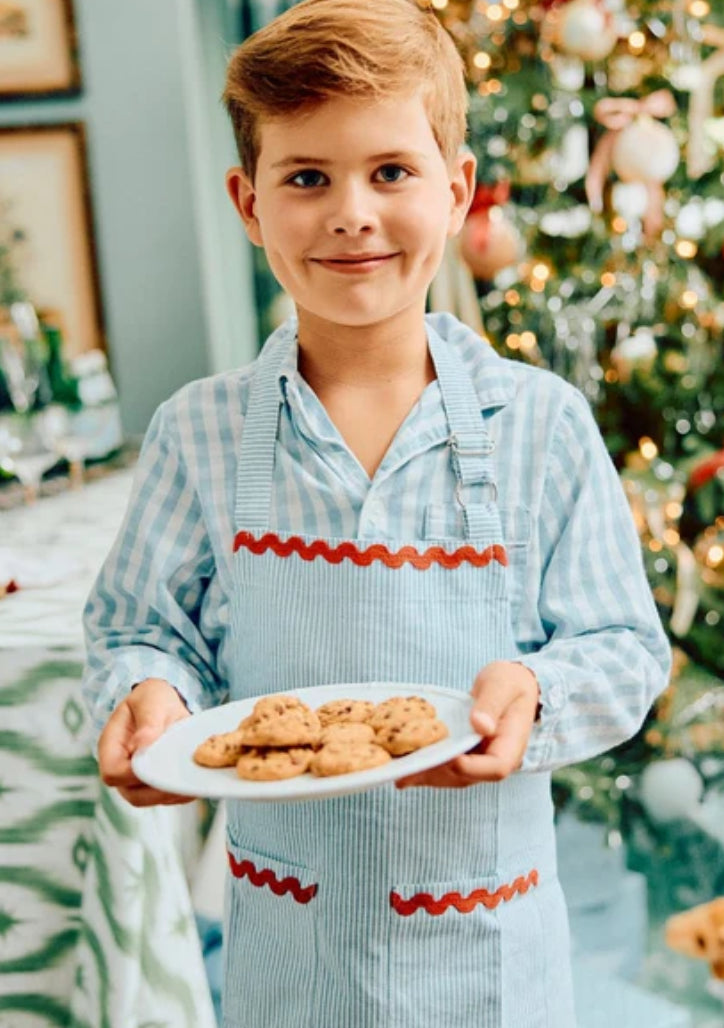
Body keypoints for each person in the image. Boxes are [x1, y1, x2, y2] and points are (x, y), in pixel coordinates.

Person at [82, 1, 672, 1025]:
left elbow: (623, 647)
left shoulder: (542, 426)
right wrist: (150, 696)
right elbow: (141, 625)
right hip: (289, 953)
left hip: (488, 955)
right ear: (248, 201)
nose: (350, 210)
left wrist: (534, 690)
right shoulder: (198, 433)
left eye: (390, 172)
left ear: (455, 193)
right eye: (306, 176)